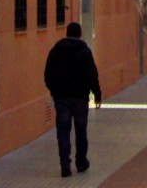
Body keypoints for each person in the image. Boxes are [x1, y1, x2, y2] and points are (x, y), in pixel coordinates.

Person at [44, 22, 102, 177]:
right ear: (80, 34)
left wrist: (54, 92)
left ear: (67, 33)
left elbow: (47, 75)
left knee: (63, 132)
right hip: (80, 98)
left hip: (61, 98)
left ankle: (65, 165)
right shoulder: (85, 51)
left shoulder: (55, 51)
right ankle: (81, 162)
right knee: (80, 131)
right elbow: (92, 75)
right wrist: (97, 95)